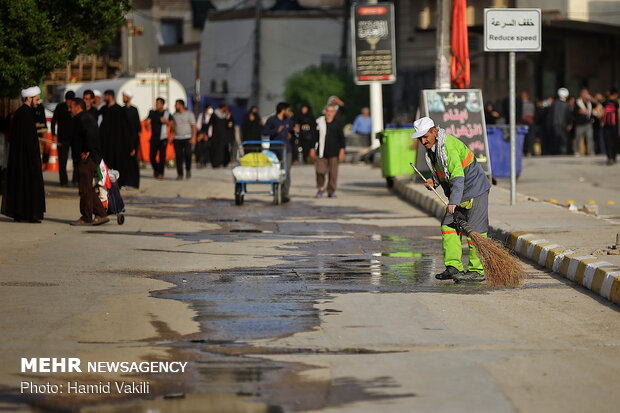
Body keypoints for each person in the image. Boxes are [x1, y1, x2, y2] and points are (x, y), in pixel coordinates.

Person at [412, 116, 491, 283]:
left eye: (426, 136)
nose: (423, 141)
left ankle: (477, 270)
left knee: (475, 230)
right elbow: (444, 172)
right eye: (420, 138)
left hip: (475, 190)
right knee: (448, 225)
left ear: (434, 131)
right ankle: (453, 267)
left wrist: (453, 202)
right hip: (459, 192)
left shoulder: (448, 146)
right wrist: (434, 180)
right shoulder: (434, 149)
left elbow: (457, 177)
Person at [1, 86, 46, 222]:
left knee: (22, 184)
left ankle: (22, 213)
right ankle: (29, 213)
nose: (39, 102)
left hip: (22, 157)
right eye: (37, 99)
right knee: (28, 184)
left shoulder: (25, 112)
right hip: (26, 158)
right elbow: (28, 140)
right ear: (29, 98)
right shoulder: (25, 114)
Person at [69, 98, 108, 226]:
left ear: (78, 107)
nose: (70, 110)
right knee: (88, 189)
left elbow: (90, 135)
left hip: (87, 159)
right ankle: (101, 214)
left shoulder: (84, 119)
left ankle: (86, 217)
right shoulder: (83, 118)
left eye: (71, 107)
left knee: (84, 189)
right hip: (86, 158)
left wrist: (87, 150)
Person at [99, 90, 135, 188]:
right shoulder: (104, 109)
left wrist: (130, 145)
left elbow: (126, 128)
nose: (104, 98)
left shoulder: (119, 110)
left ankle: (118, 183)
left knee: (117, 163)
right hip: (106, 142)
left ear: (110, 96)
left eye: (105, 96)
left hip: (117, 143)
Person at [263, 102, 295, 202]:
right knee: (275, 172)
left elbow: (292, 131)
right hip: (275, 150)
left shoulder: (288, 121)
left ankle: (285, 194)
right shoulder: (271, 120)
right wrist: (275, 131)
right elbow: (264, 132)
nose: (289, 112)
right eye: (288, 110)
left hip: (287, 150)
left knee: (287, 172)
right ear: (283, 110)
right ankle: (276, 193)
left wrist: (293, 133)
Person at [311, 104, 345, 198]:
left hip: (334, 151)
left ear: (334, 113)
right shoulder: (319, 122)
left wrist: (342, 150)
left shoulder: (337, 123)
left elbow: (341, 138)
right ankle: (321, 187)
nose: (329, 113)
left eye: (331, 111)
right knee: (319, 171)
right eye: (327, 111)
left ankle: (331, 190)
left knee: (333, 173)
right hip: (321, 151)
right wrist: (312, 149)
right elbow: (314, 137)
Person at [51, 91, 77, 186]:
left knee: (76, 160)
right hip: (62, 138)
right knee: (62, 160)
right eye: (69, 100)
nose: (70, 102)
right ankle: (63, 181)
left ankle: (75, 180)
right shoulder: (60, 107)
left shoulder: (76, 108)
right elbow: (54, 121)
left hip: (74, 138)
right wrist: (54, 134)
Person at [145, 98, 173, 179]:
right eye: (156, 103)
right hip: (154, 138)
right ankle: (156, 169)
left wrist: (166, 122)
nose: (156, 105)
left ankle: (161, 173)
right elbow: (148, 121)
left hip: (163, 138)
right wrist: (147, 125)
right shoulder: (152, 113)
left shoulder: (167, 114)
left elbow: (172, 125)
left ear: (162, 104)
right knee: (152, 157)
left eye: (158, 103)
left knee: (162, 157)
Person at [172, 99, 196, 180]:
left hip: (187, 138)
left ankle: (188, 169)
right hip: (177, 138)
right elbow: (172, 126)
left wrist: (194, 137)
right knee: (178, 157)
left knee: (188, 155)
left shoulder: (189, 114)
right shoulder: (174, 115)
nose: (175, 106)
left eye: (176, 104)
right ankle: (180, 174)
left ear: (181, 105)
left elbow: (194, 126)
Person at [122, 90, 141, 188]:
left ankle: (134, 182)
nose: (123, 98)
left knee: (133, 161)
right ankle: (125, 181)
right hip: (124, 139)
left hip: (133, 138)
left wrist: (136, 141)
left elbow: (137, 126)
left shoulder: (134, 110)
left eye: (124, 96)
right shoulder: (122, 109)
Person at [208, 102, 235, 168]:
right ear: (223, 107)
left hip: (223, 136)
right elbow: (210, 124)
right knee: (215, 149)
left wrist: (228, 118)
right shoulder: (215, 114)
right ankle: (215, 163)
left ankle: (221, 163)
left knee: (222, 150)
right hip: (215, 136)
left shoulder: (227, 115)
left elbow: (230, 125)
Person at [547, 88, 572, 155]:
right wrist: (569, 123)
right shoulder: (567, 105)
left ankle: (557, 151)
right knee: (563, 138)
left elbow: (550, 115)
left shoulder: (554, 103)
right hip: (563, 124)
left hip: (555, 124)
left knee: (556, 138)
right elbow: (568, 115)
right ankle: (563, 152)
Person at [573, 88, 595, 156]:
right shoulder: (577, 102)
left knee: (590, 137)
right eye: (584, 93)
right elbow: (574, 112)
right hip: (580, 123)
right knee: (578, 138)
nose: (586, 95)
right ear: (581, 94)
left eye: (587, 93)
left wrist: (593, 100)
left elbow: (597, 106)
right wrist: (579, 111)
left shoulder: (589, 102)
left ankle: (591, 151)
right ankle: (576, 151)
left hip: (588, 123)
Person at [601, 87, 619, 165]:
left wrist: (602, 118)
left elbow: (598, 109)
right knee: (614, 140)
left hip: (606, 124)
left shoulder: (605, 102)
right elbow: (619, 113)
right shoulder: (616, 102)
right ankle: (614, 157)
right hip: (615, 125)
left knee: (607, 141)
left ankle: (609, 158)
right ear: (615, 94)